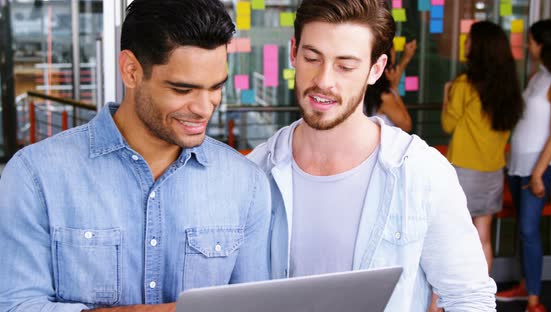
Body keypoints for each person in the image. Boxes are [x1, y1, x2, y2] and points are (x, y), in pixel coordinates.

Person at [0, 0, 271, 311]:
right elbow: (15, 305)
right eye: (182, 89)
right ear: (131, 71)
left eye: (216, 87)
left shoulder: (245, 184)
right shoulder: (35, 176)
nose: (204, 107)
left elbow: (254, 305)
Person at [247, 0, 497, 311]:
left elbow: (469, 297)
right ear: (293, 52)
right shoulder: (255, 172)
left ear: (375, 69)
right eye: (312, 58)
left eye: (345, 66)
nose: (324, 80)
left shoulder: (421, 172)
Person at [496, 19, 551, 312]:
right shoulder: (538, 76)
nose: (528, 45)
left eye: (531, 40)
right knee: (523, 229)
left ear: (542, 44)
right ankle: (524, 285)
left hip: (537, 166)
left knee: (530, 230)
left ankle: (534, 299)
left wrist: (537, 173)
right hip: (518, 163)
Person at [441, 21, 524, 273]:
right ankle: (480, 301)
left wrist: (447, 94)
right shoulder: (508, 87)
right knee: (483, 236)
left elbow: (447, 124)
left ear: (479, 47)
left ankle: (445, 302)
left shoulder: (465, 84)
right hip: (494, 172)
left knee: (451, 237)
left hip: (465, 171)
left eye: (468, 40)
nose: (465, 44)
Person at [364, 39, 416, 132]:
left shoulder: (367, 87)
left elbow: (394, 78)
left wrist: (406, 57)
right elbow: (406, 125)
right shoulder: (385, 97)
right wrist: (395, 89)